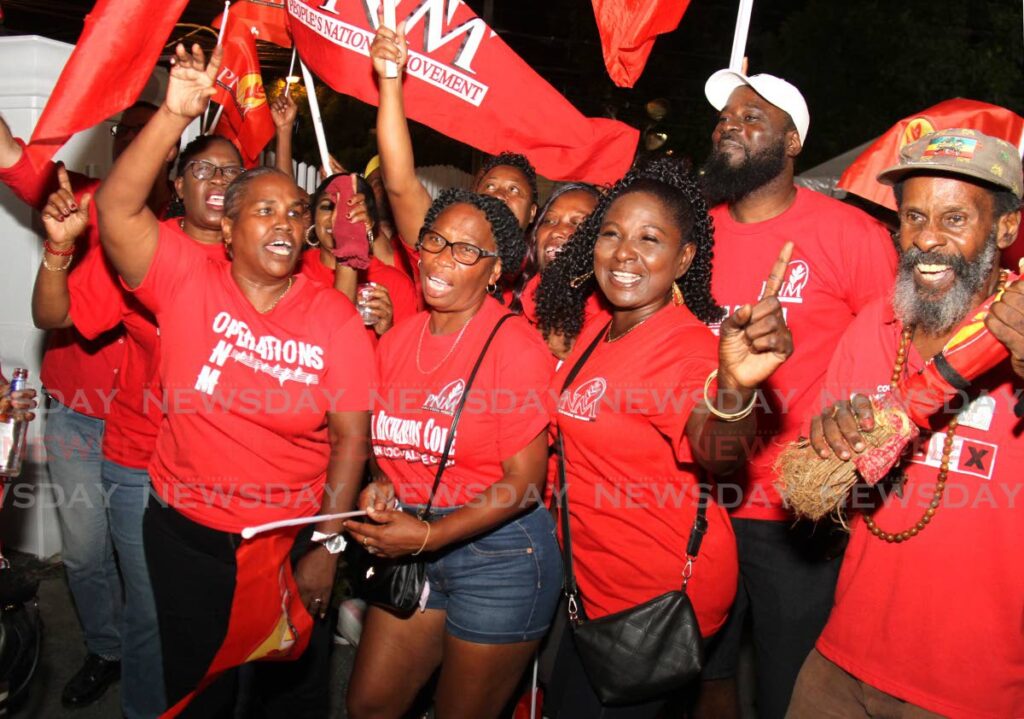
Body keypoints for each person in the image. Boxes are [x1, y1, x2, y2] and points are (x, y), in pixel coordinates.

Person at [94, 43, 375, 716]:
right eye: (266, 210)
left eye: (296, 214)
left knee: (283, 695)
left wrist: (326, 547)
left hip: (287, 539)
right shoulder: (186, 280)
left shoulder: (333, 317)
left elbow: (349, 442)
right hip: (187, 535)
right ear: (227, 226)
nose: (286, 222)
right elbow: (115, 208)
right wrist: (172, 113)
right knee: (200, 692)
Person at [535, 157, 794, 718]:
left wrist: (734, 391)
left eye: (649, 239)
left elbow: (720, 454)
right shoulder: (601, 328)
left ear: (683, 259)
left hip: (652, 599)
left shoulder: (685, 349)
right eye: (611, 234)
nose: (624, 252)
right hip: (591, 584)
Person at [786, 129, 1024, 718]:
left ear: (1005, 230)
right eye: (914, 216)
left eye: (954, 218)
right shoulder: (877, 322)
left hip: (973, 687)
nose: (929, 240)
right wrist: (831, 441)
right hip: (843, 659)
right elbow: (811, 488)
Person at [694, 69, 899, 719]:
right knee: (704, 673)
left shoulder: (850, 235)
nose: (731, 124)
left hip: (797, 514)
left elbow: (897, 360)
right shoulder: (692, 233)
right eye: (726, 116)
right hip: (698, 496)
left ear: (791, 143)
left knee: (790, 686)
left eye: (752, 117)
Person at [32, 130, 244, 716]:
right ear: (176, 182)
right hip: (140, 461)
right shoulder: (144, 245)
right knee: (149, 610)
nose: (218, 182)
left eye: (231, 172)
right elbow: (56, 313)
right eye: (203, 170)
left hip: (220, 470)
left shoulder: (258, 257)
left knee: (214, 614)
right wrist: (57, 255)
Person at [342, 188, 561, 719]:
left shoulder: (514, 346)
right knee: (369, 706)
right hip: (415, 542)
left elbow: (527, 481)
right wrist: (385, 483)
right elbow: (387, 442)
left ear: (494, 271)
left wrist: (431, 535)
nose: (443, 258)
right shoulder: (398, 341)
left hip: (500, 558)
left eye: (466, 250)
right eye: (436, 241)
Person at [0, 102, 173, 710]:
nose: (134, 145)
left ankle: (152, 660)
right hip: (74, 412)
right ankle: (105, 648)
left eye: (147, 136)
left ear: (170, 149)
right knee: (83, 552)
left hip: (151, 428)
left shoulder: (193, 232)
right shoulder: (85, 201)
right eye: (126, 134)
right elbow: (16, 163)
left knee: (144, 558)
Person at [369, 22, 539, 265]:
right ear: (474, 195)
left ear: (532, 212)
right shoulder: (439, 249)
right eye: (489, 187)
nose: (499, 194)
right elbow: (399, 183)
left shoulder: (541, 282)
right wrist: (390, 79)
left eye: (514, 190)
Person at [301, 172, 418, 341]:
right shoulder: (295, 272)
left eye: (350, 209)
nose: (337, 218)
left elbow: (404, 361)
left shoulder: (396, 284)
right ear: (313, 217)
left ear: (370, 222)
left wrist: (387, 332)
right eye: (328, 207)